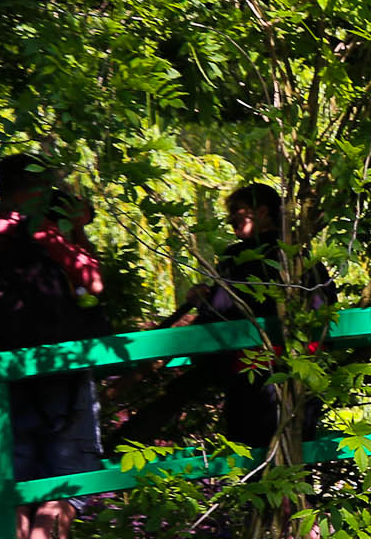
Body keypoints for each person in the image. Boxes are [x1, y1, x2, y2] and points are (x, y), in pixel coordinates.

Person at [0, 153, 105, 539]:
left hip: (3, 375)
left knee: (15, 488)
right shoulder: (43, 231)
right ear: (39, 188)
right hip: (60, 370)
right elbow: (92, 285)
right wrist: (73, 231)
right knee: (62, 485)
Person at [124, 182, 326, 451]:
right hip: (304, 375)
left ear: (262, 212)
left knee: (254, 458)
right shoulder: (303, 258)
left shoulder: (239, 257)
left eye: (237, 211)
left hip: (254, 379)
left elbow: (220, 312)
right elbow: (324, 311)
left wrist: (203, 310)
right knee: (296, 458)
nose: (231, 218)